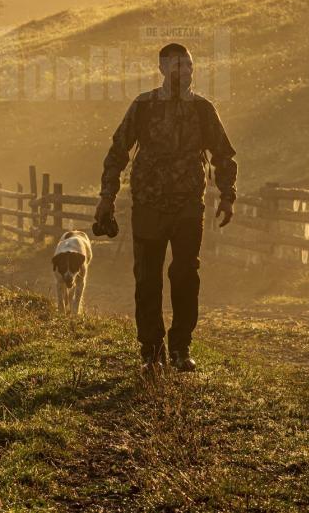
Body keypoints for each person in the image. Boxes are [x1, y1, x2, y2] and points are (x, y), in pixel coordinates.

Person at [94, 43, 237, 373]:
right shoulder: (143, 107)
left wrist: (228, 195)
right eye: (177, 67)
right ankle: (151, 352)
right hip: (148, 205)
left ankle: (181, 349)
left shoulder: (203, 109)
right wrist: (107, 197)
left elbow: (223, 155)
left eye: (189, 66)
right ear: (161, 69)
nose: (185, 72)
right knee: (147, 280)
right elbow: (118, 152)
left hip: (189, 205)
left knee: (186, 275)